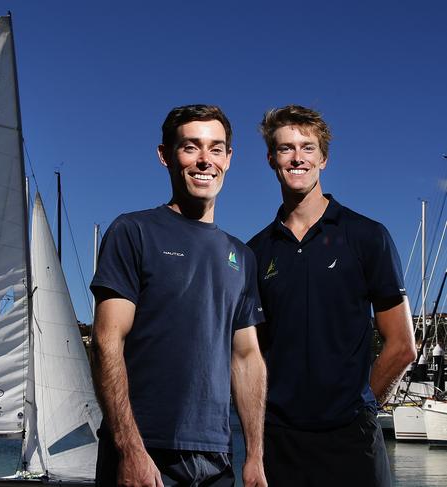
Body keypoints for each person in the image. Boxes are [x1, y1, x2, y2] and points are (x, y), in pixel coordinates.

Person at [90, 104, 267, 487]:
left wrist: (254, 457)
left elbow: (247, 356)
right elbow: (106, 341)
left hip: (218, 459)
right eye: (191, 147)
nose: (205, 160)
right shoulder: (133, 232)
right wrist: (130, 450)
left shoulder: (242, 257)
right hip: (147, 454)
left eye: (216, 149)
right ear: (165, 155)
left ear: (229, 159)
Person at [247, 105, 416, 487]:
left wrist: (362, 407)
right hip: (279, 444)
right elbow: (249, 354)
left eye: (307, 148)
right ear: (271, 158)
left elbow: (403, 346)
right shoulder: (255, 252)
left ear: (323, 158)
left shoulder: (367, 236)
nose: (297, 157)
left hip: (352, 442)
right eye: (286, 148)